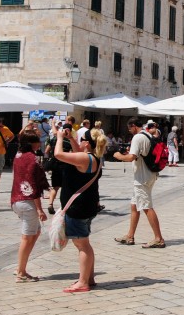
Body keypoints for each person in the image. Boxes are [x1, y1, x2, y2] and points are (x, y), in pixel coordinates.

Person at [54, 125, 106, 293]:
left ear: (87, 144)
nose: (79, 142)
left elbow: (58, 155)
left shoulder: (85, 159)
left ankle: (83, 282)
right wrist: (70, 139)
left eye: (82, 140)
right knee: (85, 243)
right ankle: (89, 278)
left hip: (77, 208)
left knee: (82, 245)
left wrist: (60, 138)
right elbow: (77, 152)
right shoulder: (92, 158)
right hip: (87, 206)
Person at [112, 119, 166, 248]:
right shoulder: (148, 135)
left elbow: (131, 157)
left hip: (142, 177)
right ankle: (130, 236)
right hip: (149, 174)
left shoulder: (137, 137)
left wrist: (119, 156)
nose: (129, 130)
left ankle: (159, 238)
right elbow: (138, 155)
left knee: (146, 206)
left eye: (129, 128)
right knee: (134, 206)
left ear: (133, 126)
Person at [11, 131, 49, 282]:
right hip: (27, 201)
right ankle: (20, 272)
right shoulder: (33, 159)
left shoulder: (18, 155)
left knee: (36, 232)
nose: (39, 143)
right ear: (31, 143)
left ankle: (21, 265)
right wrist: (40, 209)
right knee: (27, 237)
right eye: (37, 141)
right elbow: (33, 186)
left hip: (16, 200)